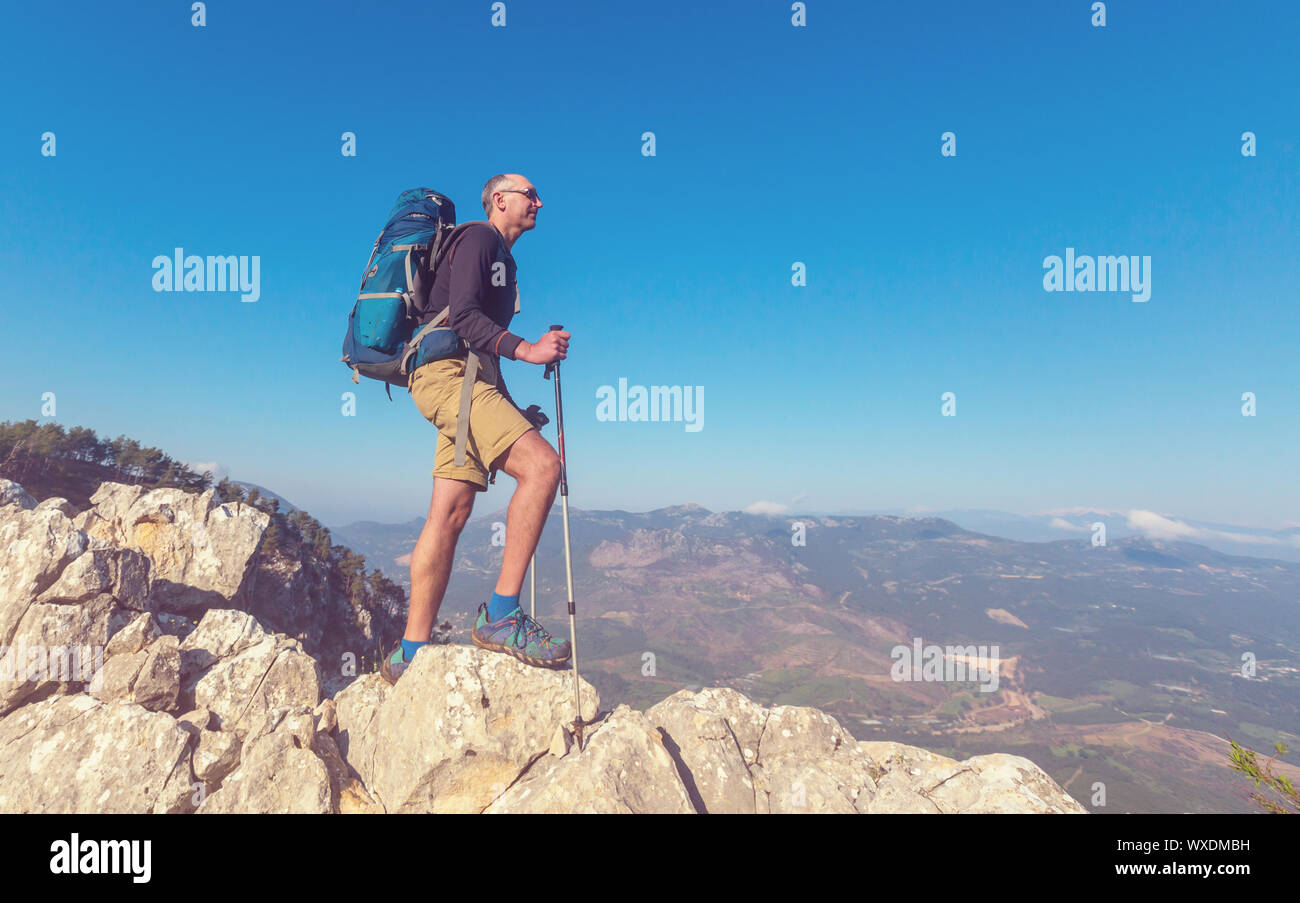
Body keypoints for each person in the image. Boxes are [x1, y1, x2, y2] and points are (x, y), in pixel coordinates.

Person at [381, 173, 572, 683]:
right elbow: (464, 318)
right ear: (500, 200)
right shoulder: (478, 238)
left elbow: (482, 347)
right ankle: (503, 615)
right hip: (449, 378)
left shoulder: (503, 261)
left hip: (464, 381)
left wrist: (511, 408)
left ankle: (410, 655)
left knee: (449, 512)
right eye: (530, 194)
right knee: (542, 468)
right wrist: (530, 349)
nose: (539, 200)